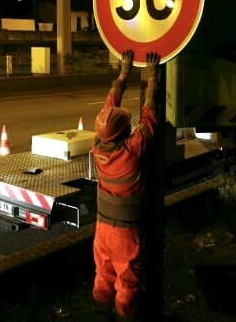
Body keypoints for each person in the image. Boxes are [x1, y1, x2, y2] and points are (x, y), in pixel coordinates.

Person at [92, 49, 160, 322]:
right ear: (124, 133)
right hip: (124, 233)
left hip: (102, 228)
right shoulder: (132, 151)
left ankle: (99, 313)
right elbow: (149, 118)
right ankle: (125, 316)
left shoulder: (97, 145)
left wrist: (123, 73)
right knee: (127, 280)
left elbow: (110, 104)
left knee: (103, 273)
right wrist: (153, 79)